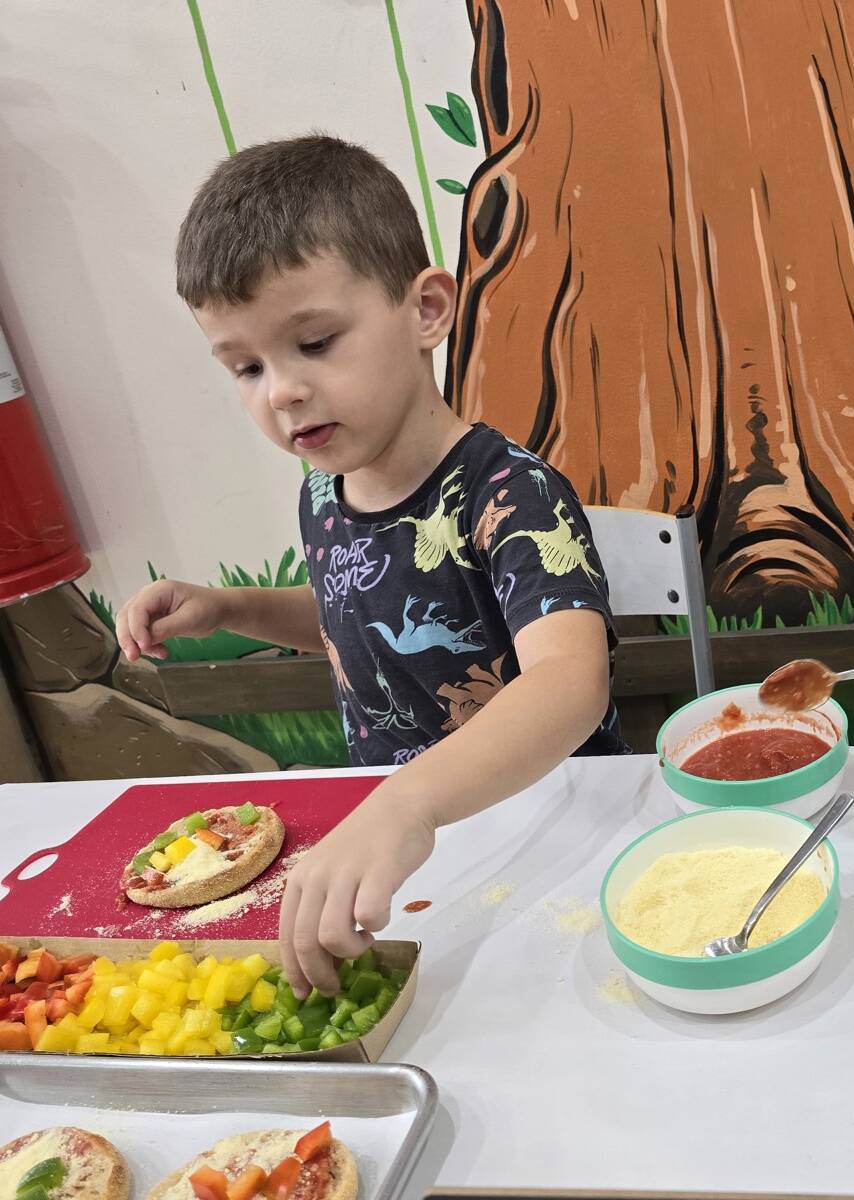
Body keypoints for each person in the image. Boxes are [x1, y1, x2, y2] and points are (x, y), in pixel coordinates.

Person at [115, 135, 624, 994]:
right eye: (245, 366)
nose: (280, 391)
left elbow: (571, 683)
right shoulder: (326, 493)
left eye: (313, 343)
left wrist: (407, 804)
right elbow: (354, 623)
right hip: (413, 857)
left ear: (426, 310)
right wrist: (230, 608)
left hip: (554, 833)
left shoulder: (509, 494)